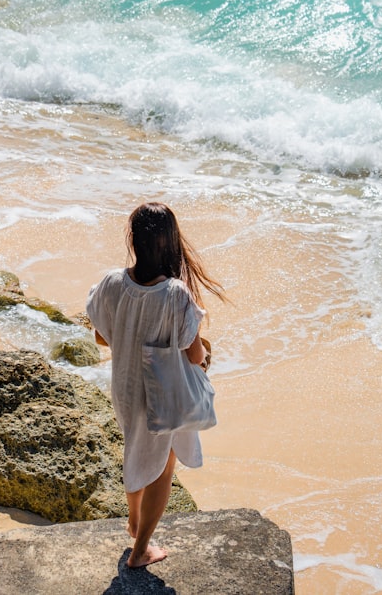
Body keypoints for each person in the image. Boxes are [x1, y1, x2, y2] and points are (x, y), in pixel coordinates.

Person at [86, 202, 227, 568]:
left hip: (125, 387)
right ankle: (141, 549)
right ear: (170, 244)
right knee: (164, 466)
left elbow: (102, 338)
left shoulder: (113, 283)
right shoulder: (176, 294)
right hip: (159, 394)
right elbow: (193, 355)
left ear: (133, 241)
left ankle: (134, 523)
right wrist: (205, 354)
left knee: (135, 451)